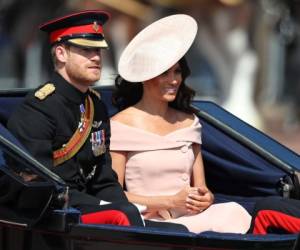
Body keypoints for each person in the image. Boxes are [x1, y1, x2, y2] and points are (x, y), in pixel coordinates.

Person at [6, 10, 186, 230]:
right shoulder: (38, 109)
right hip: (53, 215)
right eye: (86, 50)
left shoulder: (96, 106)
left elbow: (103, 179)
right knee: (127, 215)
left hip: (85, 209)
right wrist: (110, 206)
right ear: (61, 54)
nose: (96, 58)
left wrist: (122, 203)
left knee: (177, 229)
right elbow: (42, 187)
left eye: (99, 51)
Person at [110, 14, 251, 233]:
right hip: (151, 224)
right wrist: (169, 202)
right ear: (146, 77)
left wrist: (206, 197)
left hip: (193, 218)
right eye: (165, 73)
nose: (174, 80)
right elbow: (114, 196)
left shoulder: (189, 122)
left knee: (236, 213)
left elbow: (201, 188)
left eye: (177, 72)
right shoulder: (120, 125)